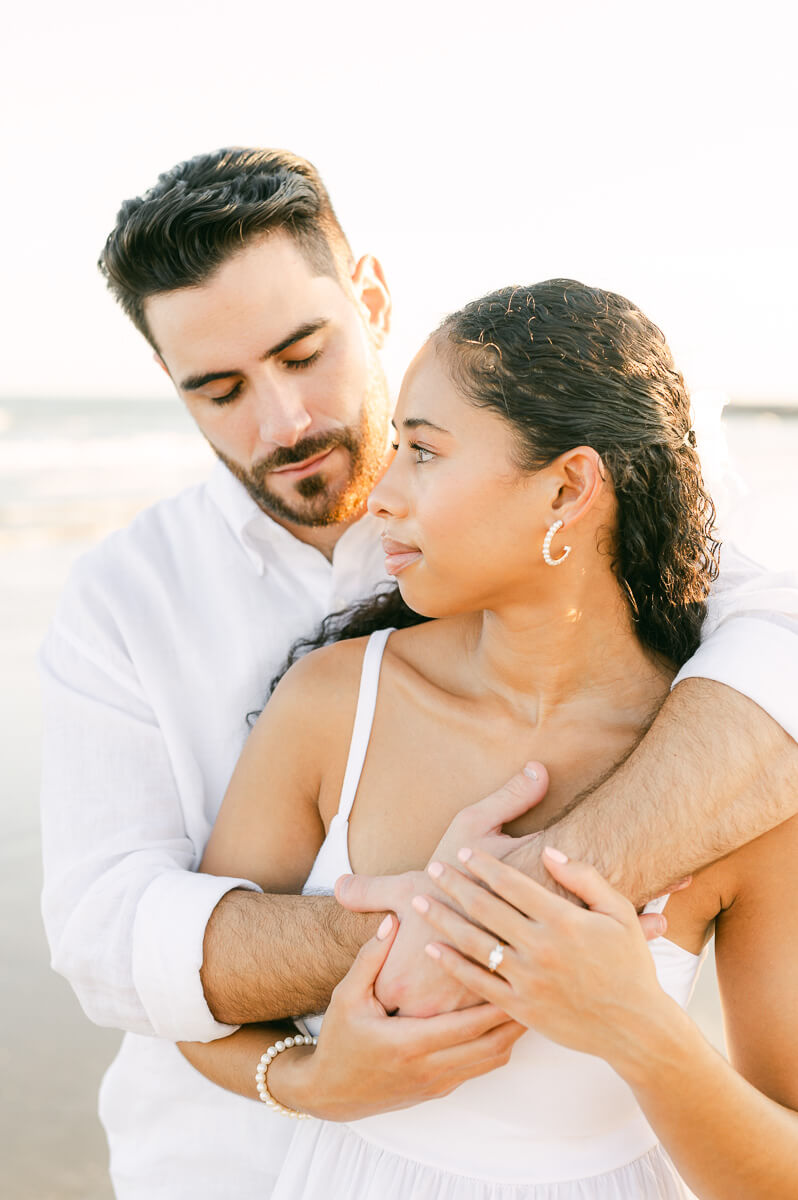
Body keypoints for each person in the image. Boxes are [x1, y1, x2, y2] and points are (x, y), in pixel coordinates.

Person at [39, 148, 798, 1199]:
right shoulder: (134, 604)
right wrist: (331, 1045)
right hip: (220, 1162)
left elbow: (784, 640)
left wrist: (556, 906)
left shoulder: (553, 433)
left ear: (373, 299)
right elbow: (107, 934)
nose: (282, 424)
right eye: (217, 392)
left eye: (303, 354)